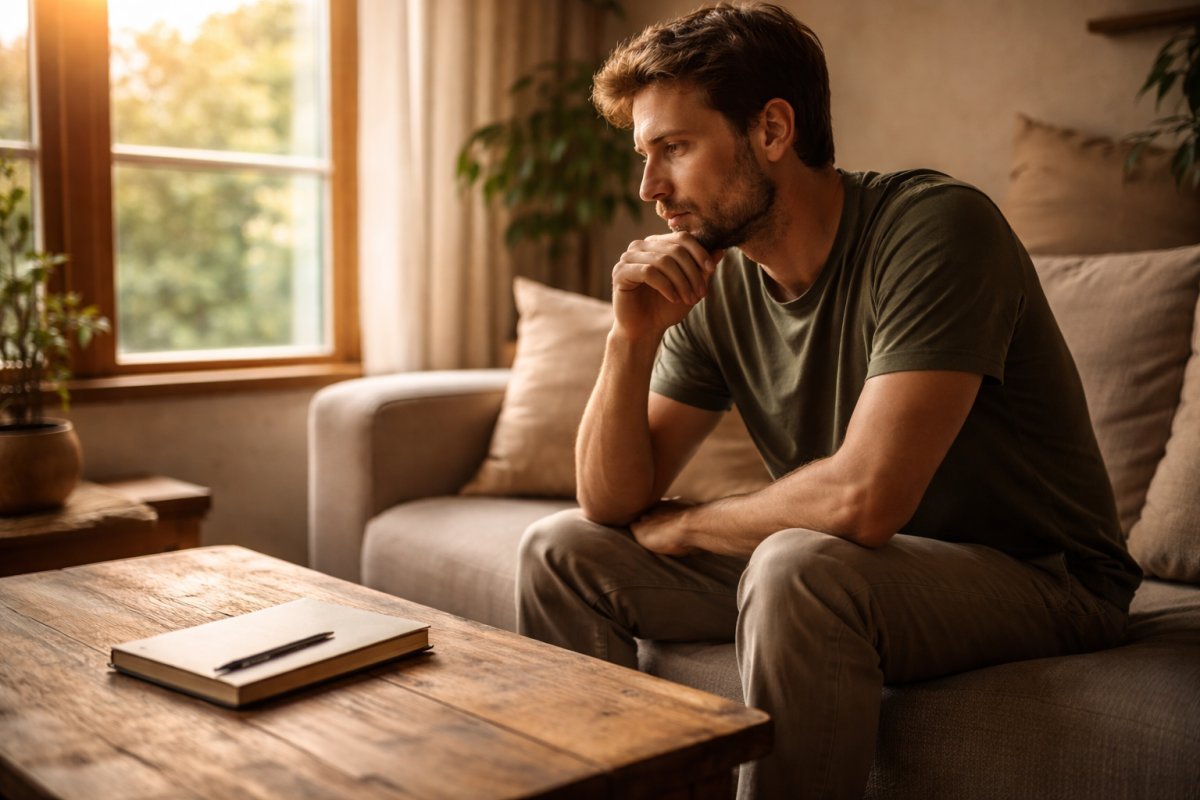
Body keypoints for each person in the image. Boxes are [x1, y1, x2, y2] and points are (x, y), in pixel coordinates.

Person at [514, 4, 1142, 798]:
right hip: (867, 567)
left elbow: (864, 499)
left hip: (1048, 580)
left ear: (773, 130)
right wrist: (628, 339)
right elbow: (609, 502)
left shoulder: (935, 228)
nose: (650, 188)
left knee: (797, 565)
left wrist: (693, 523)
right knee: (561, 551)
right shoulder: (716, 280)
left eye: (674, 147)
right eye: (645, 155)